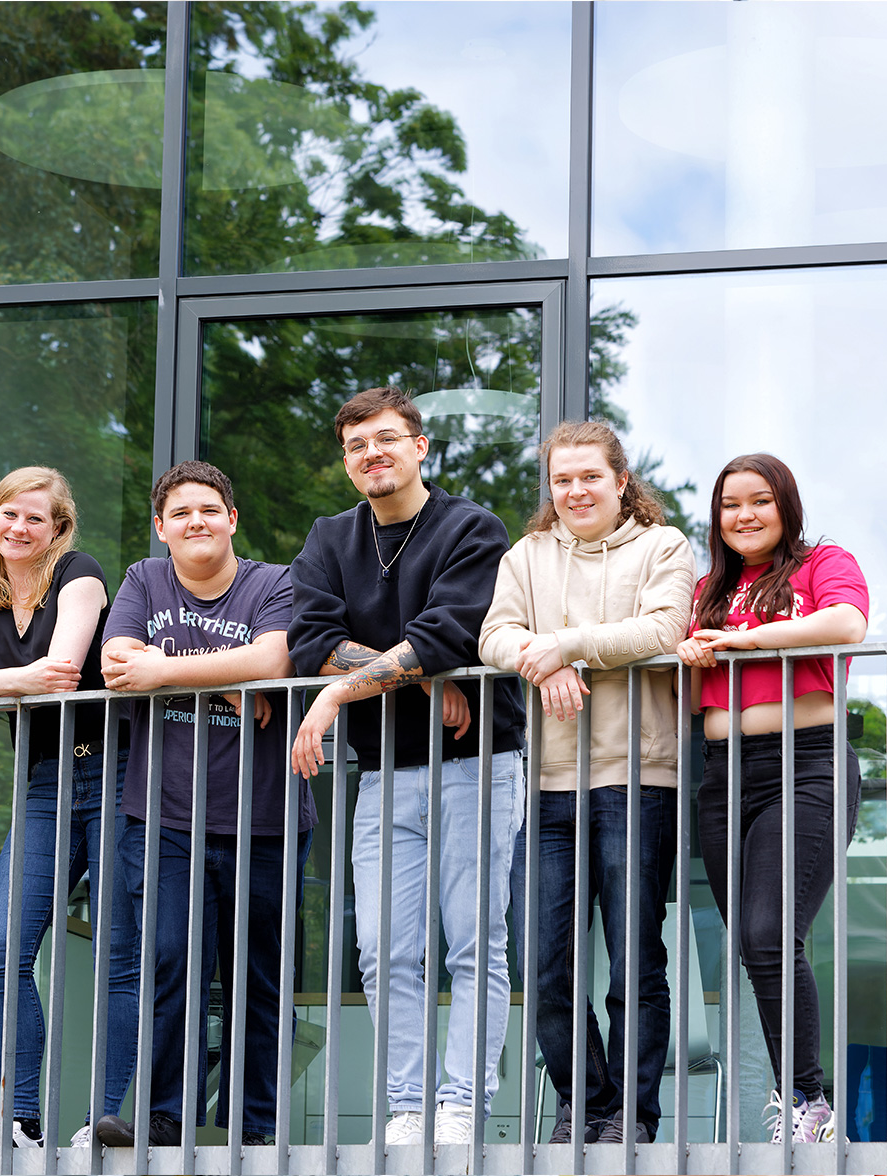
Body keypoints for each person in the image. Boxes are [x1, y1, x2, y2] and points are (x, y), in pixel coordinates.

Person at [287, 387, 526, 1148]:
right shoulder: (331, 538)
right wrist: (421, 673)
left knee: (470, 942)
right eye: (357, 446)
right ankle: (404, 1106)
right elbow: (310, 639)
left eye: (386, 439)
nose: (371, 455)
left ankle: (459, 1104)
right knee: (382, 948)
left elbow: (452, 628)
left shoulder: (470, 528)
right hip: (383, 772)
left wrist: (335, 700)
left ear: (420, 446)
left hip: (475, 766)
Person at [479, 421, 697, 1145]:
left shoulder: (661, 547)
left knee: (633, 961)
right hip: (543, 788)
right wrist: (541, 660)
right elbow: (493, 636)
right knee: (544, 968)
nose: (574, 490)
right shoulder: (527, 556)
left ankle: (632, 1116)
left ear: (620, 481)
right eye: (561, 480)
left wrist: (562, 644)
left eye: (588, 477)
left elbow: (664, 629)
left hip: (638, 779)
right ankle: (587, 1102)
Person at [95, 460, 316, 1149]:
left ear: (232, 520)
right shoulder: (143, 578)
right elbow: (115, 662)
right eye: (181, 512)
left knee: (258, 978)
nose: (196, 521)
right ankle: (164, 1115)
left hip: (268, 819)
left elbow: (275, 661)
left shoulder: (272, 581)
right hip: (163, 815)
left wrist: (166, 671)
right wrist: (225, 678)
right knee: (168, 961)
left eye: (209, 509)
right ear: (161, 527)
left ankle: (256, 1127)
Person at [0, 466, 136, 1152]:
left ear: (58, 529)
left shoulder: (79, 571)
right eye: (7, 516)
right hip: (44, 780)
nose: (18, 528)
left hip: (114, 772)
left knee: (118, 949)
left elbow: (65, 671)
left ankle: (101, 1121)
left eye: (34, 519)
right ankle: (19, 1118)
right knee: (2, 946)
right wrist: (19, 677)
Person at [676, 452, 867, 1145]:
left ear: (785, 505)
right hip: (723, 774)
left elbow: (845, 625)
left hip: (805, 762)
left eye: (759, 500)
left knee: (768, 934)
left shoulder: (821, 563)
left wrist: (739, 640)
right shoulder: (703, 588)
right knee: (755, 948)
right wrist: (692, 654)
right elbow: (680, 674)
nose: (744, 515)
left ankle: (809, 1106)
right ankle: (795, 1102)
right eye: (730, 505)